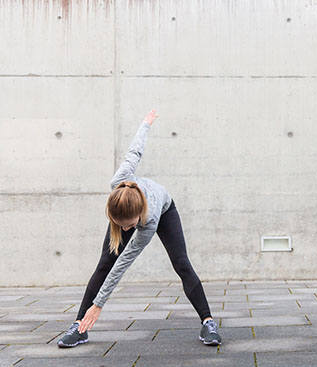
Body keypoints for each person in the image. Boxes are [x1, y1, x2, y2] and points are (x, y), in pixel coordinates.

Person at [58, 110, 221, 348]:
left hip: (165, 210)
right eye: (120, 225)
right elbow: (135, 152)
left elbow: (124, 263)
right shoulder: (119, 182)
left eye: (129, 226)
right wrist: (145, 124)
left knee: (181, 263)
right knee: (104, 263)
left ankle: (208, 322)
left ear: (138, 217)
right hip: (131, 206)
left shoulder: (150, 220)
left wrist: (99, 304)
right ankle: (79, 327)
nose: (125, 229)